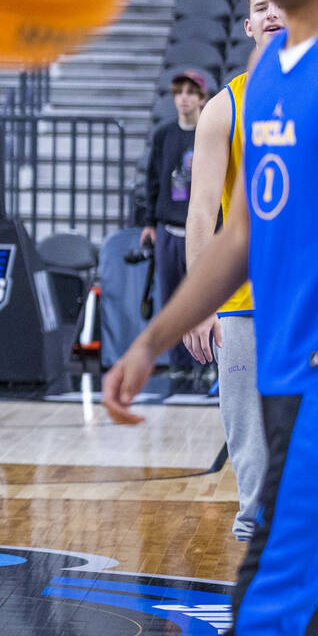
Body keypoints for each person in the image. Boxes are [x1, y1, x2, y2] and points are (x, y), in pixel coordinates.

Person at [104, 0, 318, 636]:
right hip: (280, 367)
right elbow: (240, 232)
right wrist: (152, 337)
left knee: (267, 616)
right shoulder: (263, 87)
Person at [181, 0, 284, 543]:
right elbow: (200, 217)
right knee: (251, 446)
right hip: (244, 304)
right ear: (248, 25)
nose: (273, 14)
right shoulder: (224, 107)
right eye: (261, 7)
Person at [139, 67, 210, 392]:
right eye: (179, 92)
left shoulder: (210, 131)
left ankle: (208, 365)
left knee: (205, 300)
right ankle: (180, 368)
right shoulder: (164, 135)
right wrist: (150, 223)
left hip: (203, 231)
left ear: (201, 98)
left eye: (190, 92)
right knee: (172, 302)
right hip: (169, 229)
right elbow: (153, 180)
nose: (183, 98)